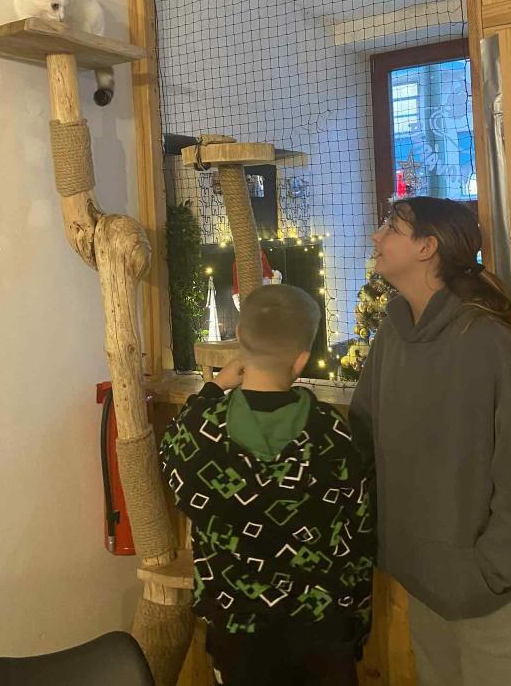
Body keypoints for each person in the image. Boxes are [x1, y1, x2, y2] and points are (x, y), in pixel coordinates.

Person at [349, 197, 511, 686]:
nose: (376, 237)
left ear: (428, 246)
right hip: (425, 584)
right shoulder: (391, 338)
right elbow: (363, 441)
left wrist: (496, 569)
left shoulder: (487, 340)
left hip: (497, 595)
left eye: (391, 227)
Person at [160, 284, 374, 686]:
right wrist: (357, 626)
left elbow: (171, 459)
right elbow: (358, 538)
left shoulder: (200, 432)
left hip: (236, 633)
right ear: (302, 360)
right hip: (322, 632)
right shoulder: (331, 434)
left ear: (241, 339)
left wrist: (212, 389)